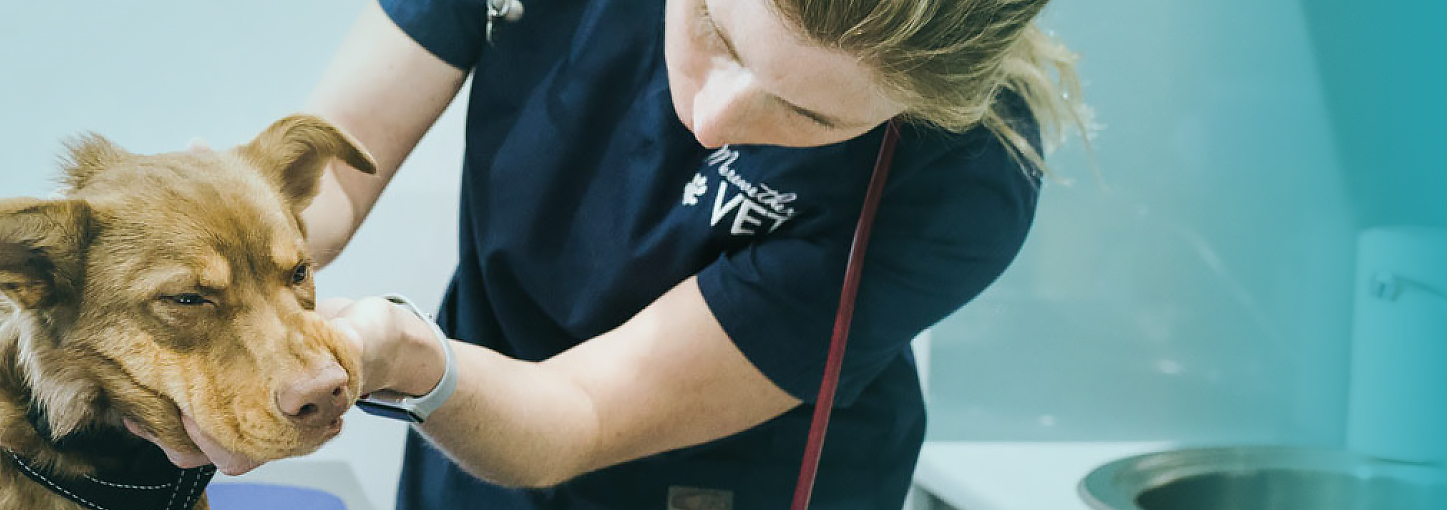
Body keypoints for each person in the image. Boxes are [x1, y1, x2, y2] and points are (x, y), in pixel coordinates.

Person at [300, 0, 1095, 508]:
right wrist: (213, 255)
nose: (711, 118)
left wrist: (401, 355)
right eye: (713, 28)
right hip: (467, 452)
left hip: (730, 485)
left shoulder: (962, 177)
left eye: (808, 114)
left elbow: (580, 414)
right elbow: (324, 180)